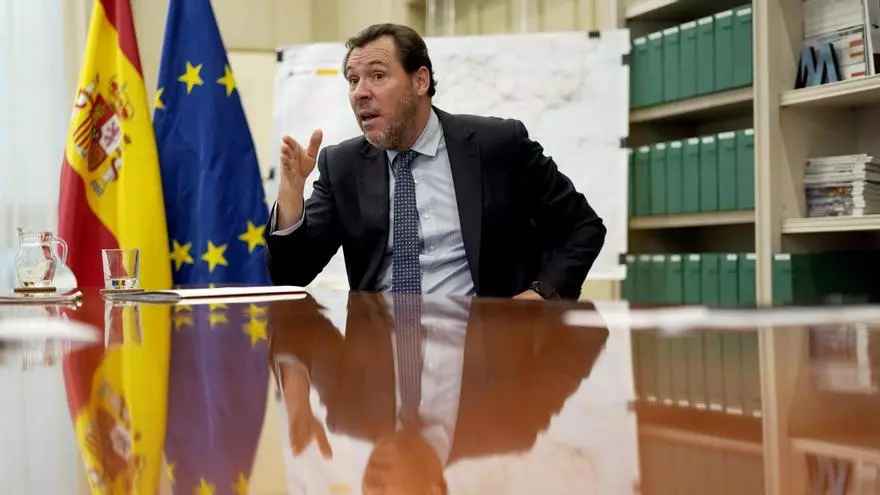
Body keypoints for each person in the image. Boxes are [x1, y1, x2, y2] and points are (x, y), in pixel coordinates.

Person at [266, 23, 606, 300]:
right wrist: (292, 196)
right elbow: (291, 273)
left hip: (485, 347)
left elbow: (583, 227)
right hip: (380, 350)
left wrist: (541, 294)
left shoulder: (498, 145)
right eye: (353, 80)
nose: (360, 92)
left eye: (377, 76)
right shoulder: (343, 165)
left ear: (420, 81)